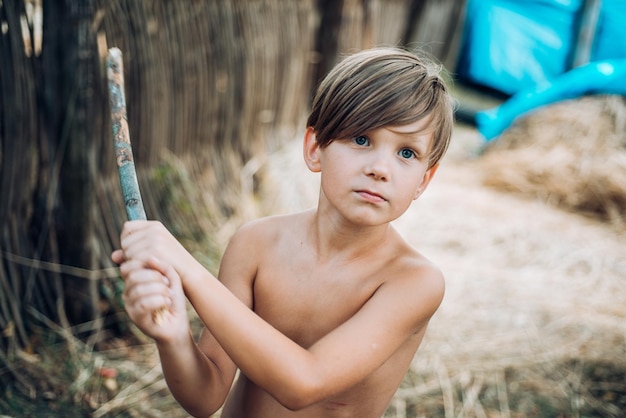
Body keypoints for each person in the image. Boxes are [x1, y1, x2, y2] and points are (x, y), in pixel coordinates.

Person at [112, 46, 454, 417]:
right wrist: (174, 338)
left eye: (407, 153)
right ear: (314, 148)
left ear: (424, 180)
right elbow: (206, 397)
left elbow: (303, 384)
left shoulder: (414, 282)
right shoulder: (256, 244)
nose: (380, 168)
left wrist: (186, 268)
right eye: (361, 139)